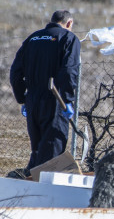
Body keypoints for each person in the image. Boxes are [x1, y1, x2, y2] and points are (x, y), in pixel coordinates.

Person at [10, 10, 80, 175]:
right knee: (51, 156)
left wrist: (23, 98)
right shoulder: (69, 38)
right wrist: (67, 100)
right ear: (69, 23)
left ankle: (28, 181)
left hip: (33, 101)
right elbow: (69, 71)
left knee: (38, 149)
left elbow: (15, 72)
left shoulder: (32, 38)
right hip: (55, 101)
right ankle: (41, 194)